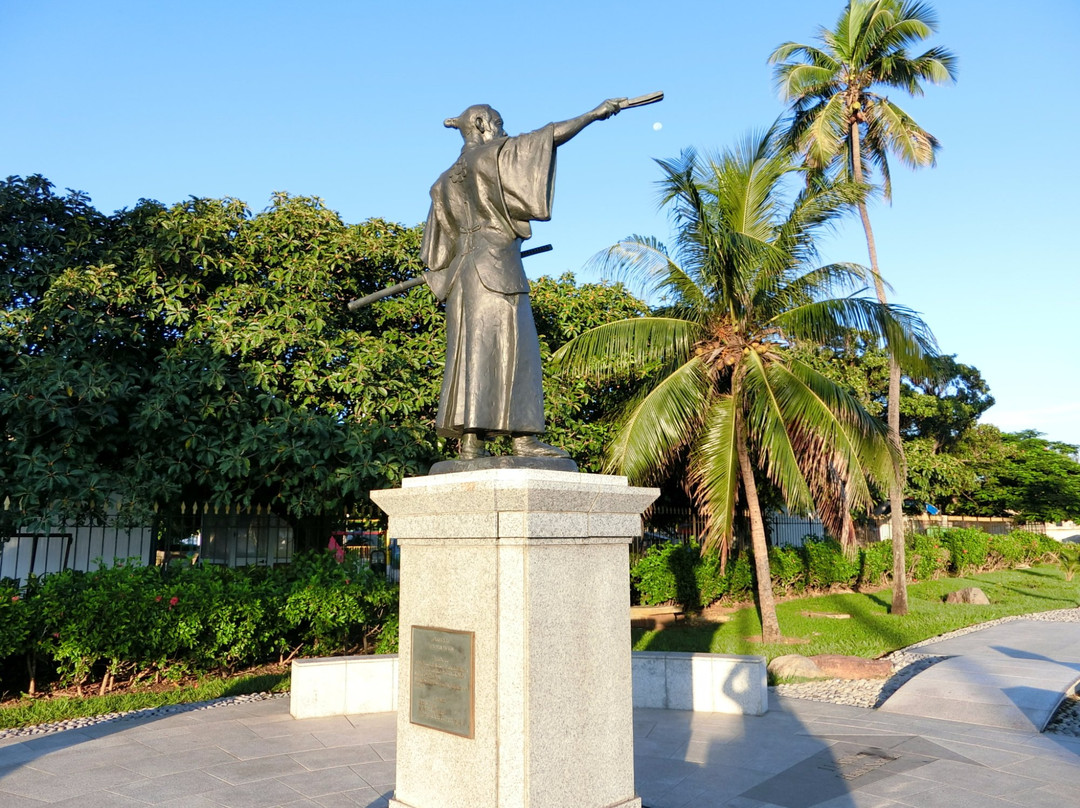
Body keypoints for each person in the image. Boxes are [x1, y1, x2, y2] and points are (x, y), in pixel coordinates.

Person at [420, 99, 623, 460]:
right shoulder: (490, 156)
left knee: (471, 352)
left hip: (463, 277)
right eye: (498, 123)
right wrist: (593, 114)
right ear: (481, 123)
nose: (503, 130)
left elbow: (436, 253)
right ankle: (522, 438)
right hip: (497, 268)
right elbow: (548, 137)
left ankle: (471, 443)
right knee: (516, 349)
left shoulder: (441, 184)